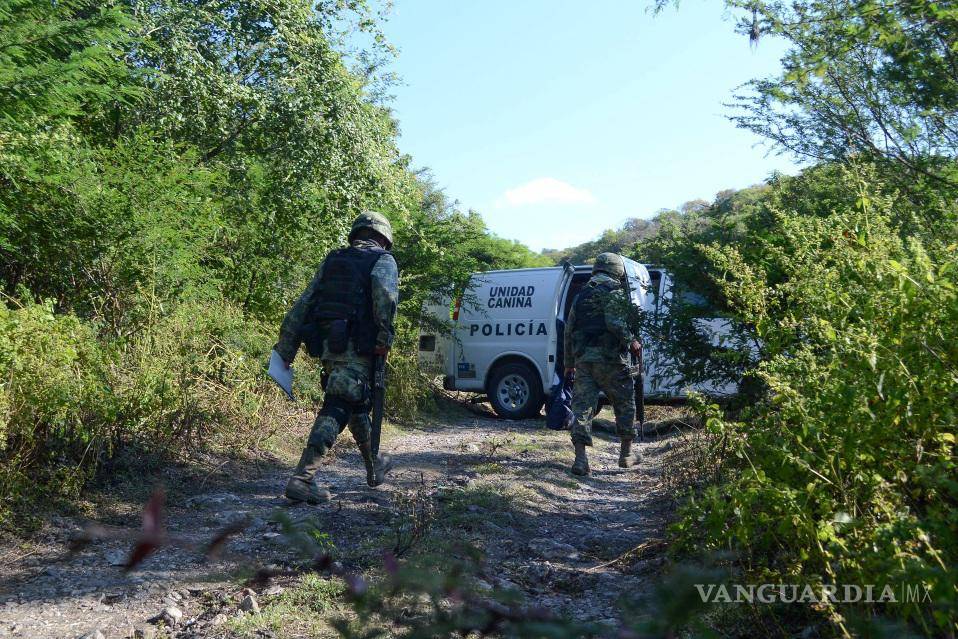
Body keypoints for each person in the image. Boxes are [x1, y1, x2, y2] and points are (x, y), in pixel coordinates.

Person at [273, 211, 399, 503]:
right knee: (339, 403)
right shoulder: (383, 261)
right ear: (382, 238)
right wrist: (384, 339)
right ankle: (303, 478)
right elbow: (385, 299)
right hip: (361, 345)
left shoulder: (333, 260)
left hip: (329, 347)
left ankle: (374, 465)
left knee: (354, 403)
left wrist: (285, 350)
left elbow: (303, 304)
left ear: (356, 235)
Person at [563, 252, 642, 476]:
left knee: (582, 408)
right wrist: (632, 340)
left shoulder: (582, 294)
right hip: (611, 360)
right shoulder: (614, 292)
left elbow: (569, 330)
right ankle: (626, 455)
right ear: (616, 269)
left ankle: (580, 459)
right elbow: (614, 321)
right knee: (625, 404)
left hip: (584, 361)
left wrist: (569, 363)